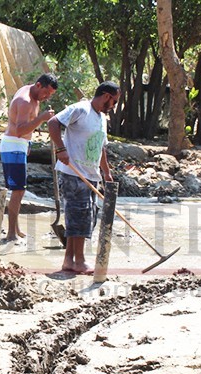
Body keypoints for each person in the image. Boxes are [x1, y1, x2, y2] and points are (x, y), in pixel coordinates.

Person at [47, 81, 120, 274]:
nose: (113, 106)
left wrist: (106, 172)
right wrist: (61, 149)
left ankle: (69, 261)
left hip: (91, 175)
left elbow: (101, 148)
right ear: (106, 96)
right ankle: (79, 261)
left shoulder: (102, 118)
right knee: (79, 216)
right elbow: (53, 122)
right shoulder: (81, 108)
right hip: (74, 172)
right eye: (114, 101)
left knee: (86, 217)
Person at [0, 73, 58, 241]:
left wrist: (29, 144)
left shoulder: (34, 96)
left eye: (50, 95)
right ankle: (11, 233)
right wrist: (42, 118)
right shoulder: (25, 101)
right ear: (38, 85)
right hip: (13, 145)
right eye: (46, 93)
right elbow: (19, 130)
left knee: (20, 190)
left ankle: (15, 229)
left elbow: (25, 129)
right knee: (18, 191)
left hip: (20, 146)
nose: (46, 97)